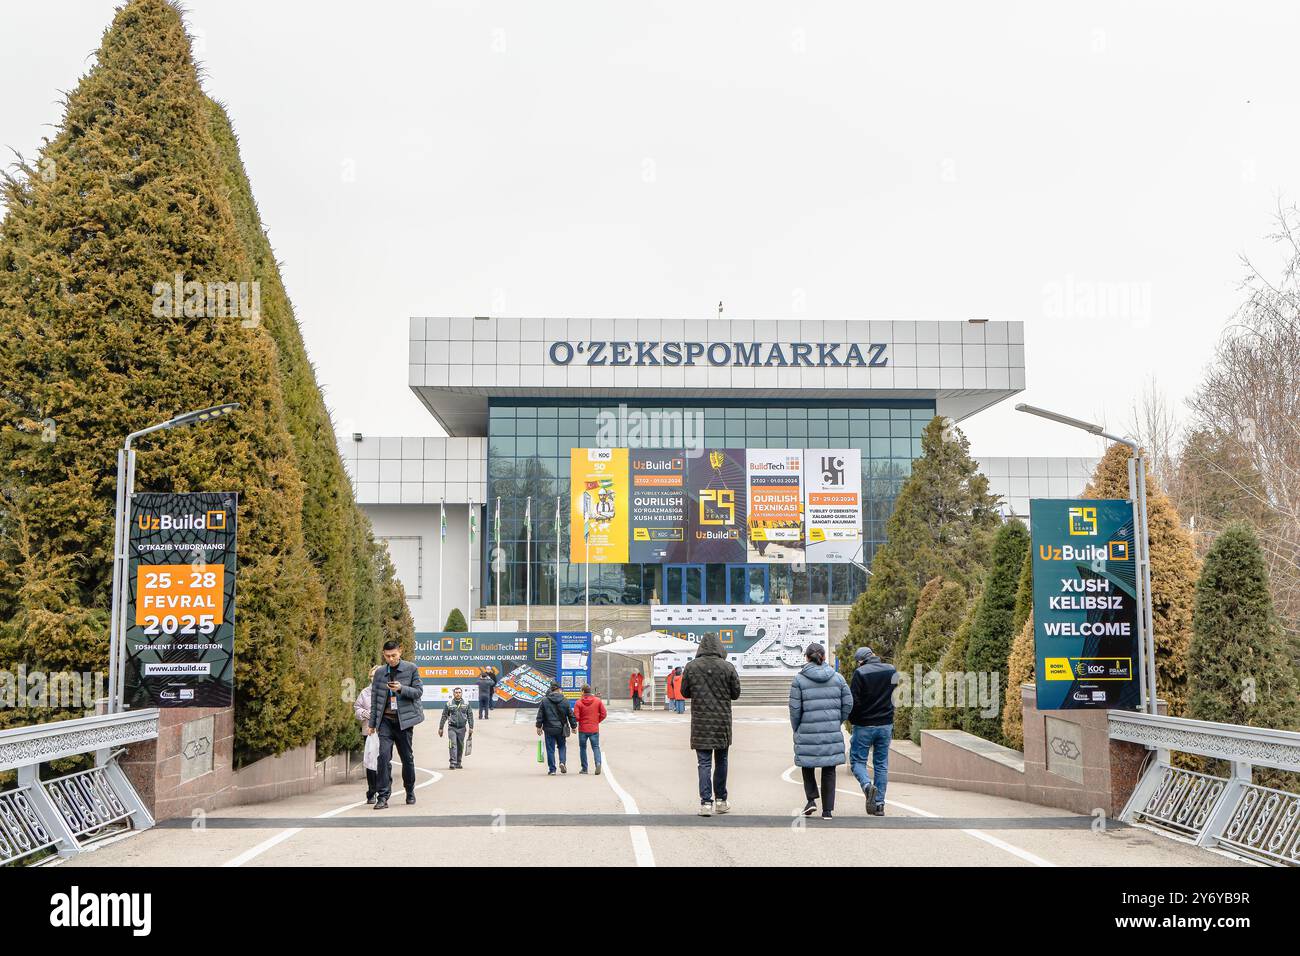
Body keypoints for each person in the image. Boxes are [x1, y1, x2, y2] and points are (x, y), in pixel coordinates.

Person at [678, 633, 741, 816]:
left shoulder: (691, 667)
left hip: (701, 723)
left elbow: (685, 692)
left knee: (704, 763)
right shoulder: (727, 667)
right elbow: (736, 693)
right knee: (721, 761)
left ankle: (706, 803)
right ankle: (721, 800)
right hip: (722, 723)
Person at [789, 643, 853, 819]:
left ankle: (811, 800)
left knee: (807, 765)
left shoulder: (799, 680)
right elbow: (848, 703)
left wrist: (797, 727)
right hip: (830, 729)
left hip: (807, 728)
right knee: (829, 768)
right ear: (824, 657)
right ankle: (827, 811)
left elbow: (794, 709)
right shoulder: (838, 678)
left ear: (807, 658)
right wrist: (837, 720)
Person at [369, 640, 424, 810]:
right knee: (383, 757)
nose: (391, 659)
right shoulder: (379, 673)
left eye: (394, 655)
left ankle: (410, 790)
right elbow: (375, 699)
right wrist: (372, 723)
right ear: (383, 654)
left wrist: (401, 688)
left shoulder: (411, 669)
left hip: (404, 722)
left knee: (407, 758)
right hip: (385, 721)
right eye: (387, 656)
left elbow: (418, 692)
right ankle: (383, 796)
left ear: (400, 652)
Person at [848, 645, 898, 816]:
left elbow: (854, 701)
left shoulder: (860, 673)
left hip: (864, 726)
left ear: (861, 661)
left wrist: (853, 720)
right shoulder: (891, 670)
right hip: (885, 724)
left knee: (857, 761)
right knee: (881, 764)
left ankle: (867, 786)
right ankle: (879, 805)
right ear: (874, 656)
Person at [353, 664, 382, 804]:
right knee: (371, 762)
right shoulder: (364, 692)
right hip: (369, 732)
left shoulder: (387, 691)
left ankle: (383, 790)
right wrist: (365, 714)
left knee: (383, 761)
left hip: (385, 732)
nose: (375, 678)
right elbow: (357, 708)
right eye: (373, 676)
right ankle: (372, 792)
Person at [535, 681, 577, 775]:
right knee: (562, 746)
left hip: (549, 728)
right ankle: (562, 762)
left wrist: (539, 726)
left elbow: (540, 715)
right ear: (558, 689)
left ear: (551, 689)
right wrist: (574, 726)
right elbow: (571, 715)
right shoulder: (564, 700)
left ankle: (552, 770)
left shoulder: (545, 700)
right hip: (561, 728)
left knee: (550, 749)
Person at [573, 684, 607, 774]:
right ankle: (598, 763)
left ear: (583, 692)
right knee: (595, 747)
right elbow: (604, 714)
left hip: (583, 729)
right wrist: (596, 721)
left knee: (583, 748)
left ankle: (584, 768)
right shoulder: (597, 701)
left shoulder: (578, 702)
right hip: (594, 729)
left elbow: (576, 717)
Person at [439, 686, 475, 769]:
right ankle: (452, 762)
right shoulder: (449, 703)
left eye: (459, 692)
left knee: (460, 745)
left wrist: (471, 727)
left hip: (462, 728)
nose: (458, 694)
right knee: (452, 744)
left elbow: (470, 715)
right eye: (456, 692)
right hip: (452, 728)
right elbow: (444, 716)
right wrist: (441, 728)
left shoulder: (466, 703)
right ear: (453, 693)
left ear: (461, 693)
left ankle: (459, 762)